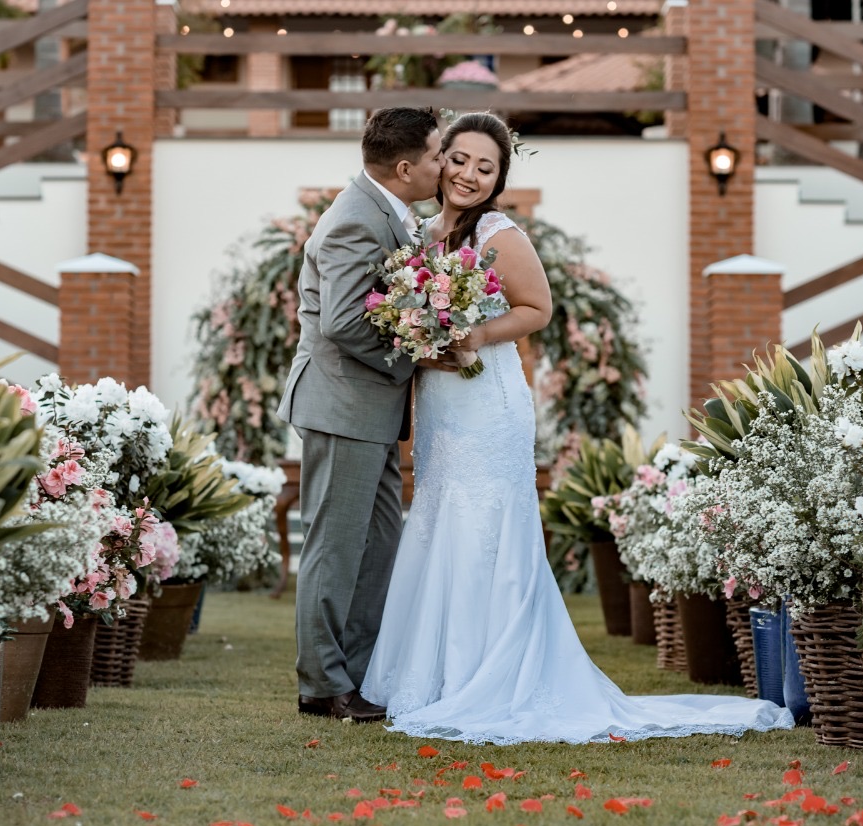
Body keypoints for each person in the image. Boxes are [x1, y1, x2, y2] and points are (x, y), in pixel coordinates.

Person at [359, 112, 794, 744]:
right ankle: (432, 678)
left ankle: (490, 675)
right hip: (441, 405)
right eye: (460, 161)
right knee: (439, 518)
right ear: (439, 158)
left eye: (487, 167)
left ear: (499, 177)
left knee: (485, 526)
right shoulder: (422, 234)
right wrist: (422, 335)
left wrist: (471, 333)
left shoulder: (499, 234)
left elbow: (539, 309)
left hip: (488, 403)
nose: (470, 176)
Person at [277, 107, 458, 723]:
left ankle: (355, 676)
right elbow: (347, 321)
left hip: (369, 412)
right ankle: (321, 686)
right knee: (334, 548)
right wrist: (425, 354)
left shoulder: (392, 213)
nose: (445, 163)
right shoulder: (355, 220)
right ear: (406, 167)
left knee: (379, 545)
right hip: (343, 406)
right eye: (438, 155)